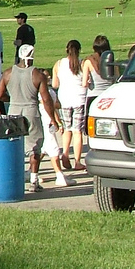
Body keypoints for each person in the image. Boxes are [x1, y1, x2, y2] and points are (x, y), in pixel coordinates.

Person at [0, 44, 67, 191]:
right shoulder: (37, 75)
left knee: (15, 144)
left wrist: (13, 100)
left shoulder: (8, 73)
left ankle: (14, 177)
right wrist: (53, 119)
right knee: (34, 147)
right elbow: (47, 100)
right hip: (31, 111)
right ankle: (34, 180)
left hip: (14, 110)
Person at [53, 39, 87, 171]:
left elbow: (55, 84)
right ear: (79, 50)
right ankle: (77, 161)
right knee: (77, 131)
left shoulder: (59, 64)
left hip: (64, 100)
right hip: (79, 99)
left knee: (67, 129)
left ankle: (65, 153)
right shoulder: (82, 63)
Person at [82, 35, 113, 116]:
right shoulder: (111, 61)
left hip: (93, 96)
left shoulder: (89, 61)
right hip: (108, 96)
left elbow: (84, 83)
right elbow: (115, 78)